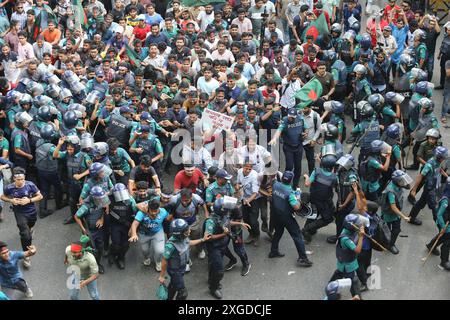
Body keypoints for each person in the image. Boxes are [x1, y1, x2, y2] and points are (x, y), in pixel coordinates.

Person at [1, 167, 43, 268]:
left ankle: (31, 228)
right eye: (18, 179)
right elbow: (2, 196)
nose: (20, 181)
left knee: (31, 225)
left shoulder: (30, 185)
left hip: (31, 211)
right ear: (14, 179)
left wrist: (29, 200)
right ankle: (26, 255)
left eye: (22, 179)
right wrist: (12, 201)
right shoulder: (9, 187)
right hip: (19, 213)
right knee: (25, 235)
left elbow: (40, 196)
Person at [159, 219, 211, 300]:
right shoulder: (170, 246)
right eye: (186, 230)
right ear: (179, 234)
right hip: (175, 272)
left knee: (173, 285)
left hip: (181, 268)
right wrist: (161, 276)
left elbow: (189, 242)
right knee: (183, 293)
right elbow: (164, 260)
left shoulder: (183, 238)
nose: (189, 231)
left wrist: (202, 239)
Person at [269, 170, 313, 267]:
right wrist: (298, 198)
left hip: (276, 214)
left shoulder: (275, 185)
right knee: (297, 236)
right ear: (291, 180)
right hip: (286, 217)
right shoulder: (290, 193)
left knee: (278, 232)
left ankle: (273, 251)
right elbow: (296, 207)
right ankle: (303, 258)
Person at [408, 147, 449, 225]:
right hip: (429, 189)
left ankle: (411, 217)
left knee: (421, 202)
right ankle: (441, 227)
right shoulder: (429, 164)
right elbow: (420, 176)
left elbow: (440, 170)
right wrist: (414, 190)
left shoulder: (439, 161)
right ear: (439, 157)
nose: (444, 159)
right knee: (435, 207)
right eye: (443, 157)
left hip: (434, 186)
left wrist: (447, 177)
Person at [302, 154, 338, 243]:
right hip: (325, 201)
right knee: (328, 218)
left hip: (314, 198)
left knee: (313, 214)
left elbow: (307, 184)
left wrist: (306, 177)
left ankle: (308, 231)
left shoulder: (316, 171)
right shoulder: (334, 177)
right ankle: (306, 229)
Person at [269, 108, 308, 189]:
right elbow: (279, 130)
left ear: (296, 116)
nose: (290, 118)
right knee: (289, 166)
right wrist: (274, 138)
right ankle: (285, 183)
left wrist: (305, 134)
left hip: (298, 146)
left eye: (292, 117)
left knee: (298, 166)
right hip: (288, 147)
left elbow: (306, 128)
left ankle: (295, 184)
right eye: (289, 116)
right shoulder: (285, 120)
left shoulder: (301, 119)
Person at [329, 213, 364, 300]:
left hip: (346, 260)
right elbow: (357, 250)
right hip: (347, 264)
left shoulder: (347, 229)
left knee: (339, 273)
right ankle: (356, 296)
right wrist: (361, 237)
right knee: (352, 281)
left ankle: (331, 285)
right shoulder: (346, 239)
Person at [203, 197, 233, 299]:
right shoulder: (211, 221)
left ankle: (212, 280)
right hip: (214, 247)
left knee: (213, 265)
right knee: (219, 270)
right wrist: (223, 235)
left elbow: (227, 223)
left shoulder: (224, 214)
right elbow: (207, 237)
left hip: (222, 246)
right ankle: (213, 288)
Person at [128, 198, 169, 272]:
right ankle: (147, 258)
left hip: (157, 232)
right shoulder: (142, 212)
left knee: (160, 251)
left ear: (158, 208)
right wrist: (134, 234)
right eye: (151, 211)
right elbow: (135, 223)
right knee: (145, 250)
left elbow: (168, 218)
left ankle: (158, 261)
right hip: (144, 234)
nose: (153, 213)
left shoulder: (163, 212)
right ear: (148, 208)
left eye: (155, 211)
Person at [381, 170, 412, 254]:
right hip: (389, 214)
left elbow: (408, 186)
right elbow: (393, 207)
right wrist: (404, 216)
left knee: (396, 230)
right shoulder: (391, 191)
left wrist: (405, 182)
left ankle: (391, 244)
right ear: (396, 181)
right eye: (401, 180)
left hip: (396, 213)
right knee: (386, 230)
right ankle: (388, 244)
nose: (403, 182)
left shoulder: (397, 184)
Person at [108, 183, 138, 269]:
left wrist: (133, 228)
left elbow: (135, 214)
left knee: (125, 245)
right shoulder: (109, 199)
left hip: (127, 224)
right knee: (116, 243)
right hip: (115, 224)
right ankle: (112, 254)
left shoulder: (130, 200)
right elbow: (106, 209)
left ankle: (121, 258)